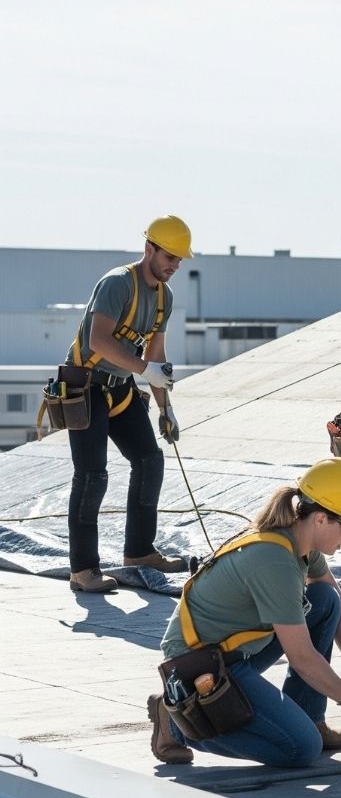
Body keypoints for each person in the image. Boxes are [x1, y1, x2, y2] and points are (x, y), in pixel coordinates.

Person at [148, 458, 341, 767]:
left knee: (324, 599)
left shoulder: (301, 542)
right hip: (198, 664)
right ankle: (180, 724)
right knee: (299, 749)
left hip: (235, 650)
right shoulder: (275, 562)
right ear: (320, 519)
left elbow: (336, 603)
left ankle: (310, 717)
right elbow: (301, 658)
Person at [64, 215, 194, 594]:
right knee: (92, 475)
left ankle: (138, 553)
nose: (174, 265)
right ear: (149, 248)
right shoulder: (118, 284)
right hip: (85, 385)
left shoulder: (163, 298)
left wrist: (165, 408)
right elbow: (99, 340)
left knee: (149, 460)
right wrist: (145, 370)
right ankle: (83, 570)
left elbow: (156, 355)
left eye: (180, 259)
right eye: (169, 256)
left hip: (119, 387)